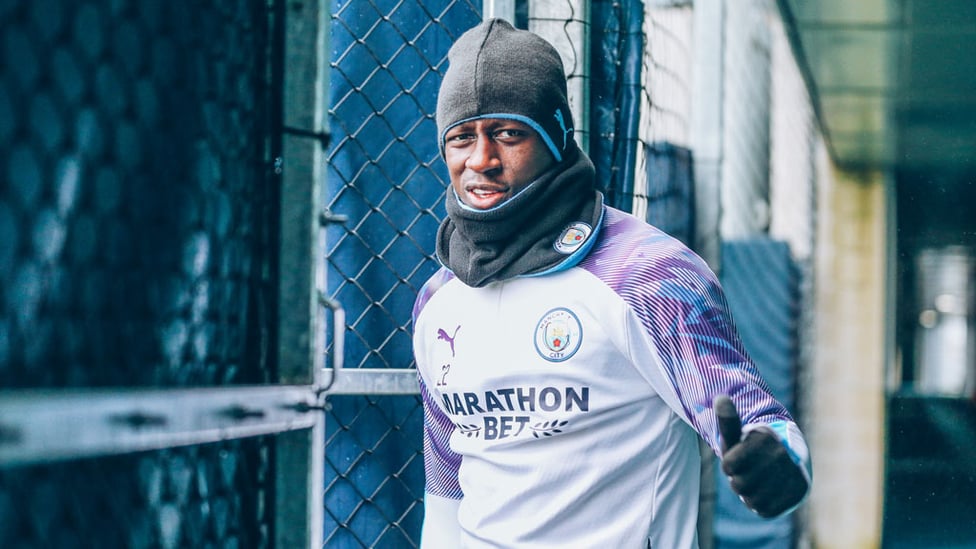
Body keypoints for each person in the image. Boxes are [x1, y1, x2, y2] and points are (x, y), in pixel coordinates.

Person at [411, 18, 811, 548]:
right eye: (462, 137)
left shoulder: (648, 274)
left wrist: (779, 459)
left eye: (508, 134)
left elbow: (756, 415)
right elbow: (446, 475)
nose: (481, 160)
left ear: (555, 137)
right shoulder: (438, 299)